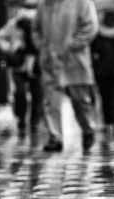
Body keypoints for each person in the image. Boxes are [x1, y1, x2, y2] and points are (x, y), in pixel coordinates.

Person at [33, 0, 99, 152]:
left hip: (74, 61)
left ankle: (88, 128)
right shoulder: (44, 5)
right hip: (49, 60)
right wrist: (41, 45)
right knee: (50, 101)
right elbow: (36, 29)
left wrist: (72, 44)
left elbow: (91, 27)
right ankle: (55, 137)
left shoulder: (82, 3)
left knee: (80, 100)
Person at [0, 5, 43, 137]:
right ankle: (21, 119)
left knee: (37, 94)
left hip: (35, 63)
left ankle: (34, 121)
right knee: (20, 93)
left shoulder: (40, 24)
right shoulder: (13, 25)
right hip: (18, 64)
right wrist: (11, 48)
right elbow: (0, 37)